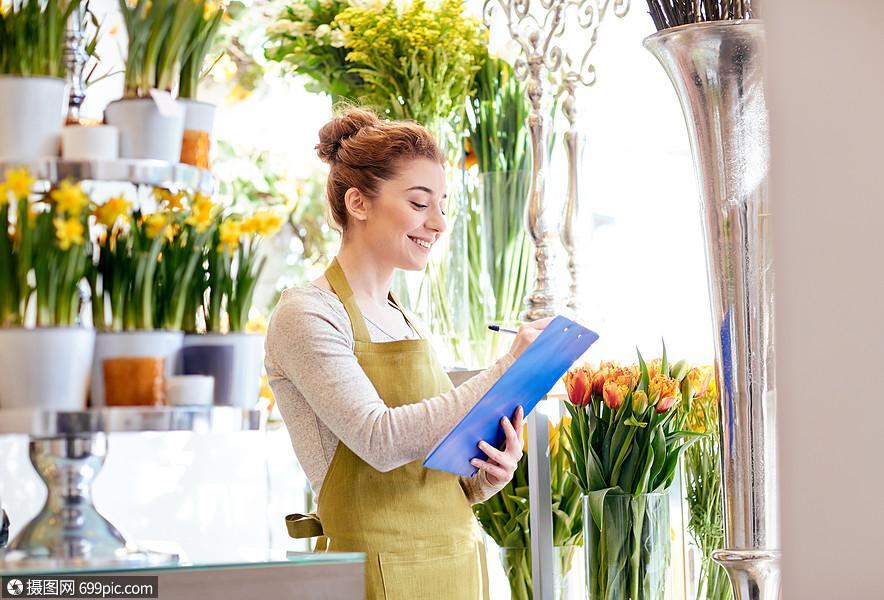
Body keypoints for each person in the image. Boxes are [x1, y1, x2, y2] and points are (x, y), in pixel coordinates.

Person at [265, 107, 550, 599]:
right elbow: (379, 439)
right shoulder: (307, 315)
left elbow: (429, 474)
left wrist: (485, 478)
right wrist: (507, 368)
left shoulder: (404, 317)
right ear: (358, 202)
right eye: (420, 204)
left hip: (456, 567)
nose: (438, 223)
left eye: (442, 204)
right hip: (372, 575)